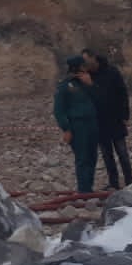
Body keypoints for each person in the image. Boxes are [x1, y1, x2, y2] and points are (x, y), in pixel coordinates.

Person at [82, 49, 132, 189]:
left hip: (115, 119)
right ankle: (114, 183)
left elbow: (122, 93)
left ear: (93, 58)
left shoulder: (111, 71)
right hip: (99, 122)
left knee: (122, 152)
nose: (85, 63)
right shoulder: (87, 76)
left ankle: (130, 180)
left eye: (86, 60)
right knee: (107, 155)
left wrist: (125, 115)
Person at [54, 55, 100, 193]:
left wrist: (91, 85)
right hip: (78, 126)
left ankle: (89, 188)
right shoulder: (65, 86)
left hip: (92, 123)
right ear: (76, 67)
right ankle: (84, 190)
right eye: (83, 66)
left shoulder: (86, 82)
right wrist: (66, 129)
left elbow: (99, 99)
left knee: (92, 156)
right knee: (82, 158)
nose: (85, 68)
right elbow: (59, 110)